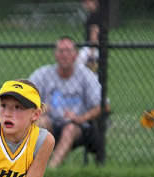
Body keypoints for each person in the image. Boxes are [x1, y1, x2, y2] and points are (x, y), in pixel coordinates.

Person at [29, 36, 104, 167]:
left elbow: (103, 106)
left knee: (70, 128)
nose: (65, 55)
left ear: (75, 55)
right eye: (61, 51)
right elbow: (24, 98)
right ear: (55, 55)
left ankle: (51, 170)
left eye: (69, 51)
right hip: (52, 122)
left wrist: (79, 118)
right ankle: (34, 167)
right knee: (40, 122)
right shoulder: (44, 73)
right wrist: (40, 109)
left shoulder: (85, 75)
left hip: (78, 126)